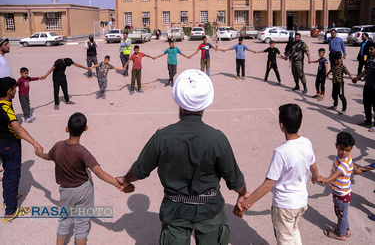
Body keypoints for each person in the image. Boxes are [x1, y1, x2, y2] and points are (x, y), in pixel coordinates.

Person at [117, 69, 249, 245]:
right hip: (210, 210)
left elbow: (140, 170)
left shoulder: (162, 137)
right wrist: (243, 193)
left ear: (178, 102)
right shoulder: (217, 139)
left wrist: (125, 179)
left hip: (175, 212)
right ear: (204, 104)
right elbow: (235, 180)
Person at [34, 112, 133, 245]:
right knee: (81, 226)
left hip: (65, 191)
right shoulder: (83, 152)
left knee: (63, 221)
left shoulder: (58, 146)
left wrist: (39, 153)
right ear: (86, 128)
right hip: (83, 191)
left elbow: (48, 156)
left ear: (66, 128)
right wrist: (120, 184)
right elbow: (99, 172)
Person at [234, 103, 319, 245]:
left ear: (281, 125)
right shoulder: (306, 142)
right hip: (301, 202)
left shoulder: (281, 152)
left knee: (285, 239)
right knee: (293, 231)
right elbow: (313, 166)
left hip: (285, 206)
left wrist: (244, 204)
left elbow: (267, 185)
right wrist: (316, 177)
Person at [0, 77, 42, 223]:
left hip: (1, 145)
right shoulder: (6, 107)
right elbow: (17, 128)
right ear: (9, 91)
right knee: (12, 175)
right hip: (10, 146)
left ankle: (7, 199)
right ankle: (10, 211)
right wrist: (34, 142)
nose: (16, 90)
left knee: (7, 173)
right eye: (14, 89)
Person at [318, 132, 361, 241]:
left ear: (351, 149)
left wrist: (325, 180)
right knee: (343, 213)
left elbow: (335, 175)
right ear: (336, 145)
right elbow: (352, 165)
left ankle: (340, 234)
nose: (344, 153)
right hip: (343, 192)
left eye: (347, 150)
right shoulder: (346, 159)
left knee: (340, 214)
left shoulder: (343, 164)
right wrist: (356, 171)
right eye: (342, 149)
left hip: (341, 194)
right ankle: (346, 229)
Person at [353, 42, 375, 132]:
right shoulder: (370, 59)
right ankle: (368, 121)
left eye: (372, 49)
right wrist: (357, 78)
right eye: (369, 49)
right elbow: (366, 69)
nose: (369, 51)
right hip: (367, 86)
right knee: (366, 104)